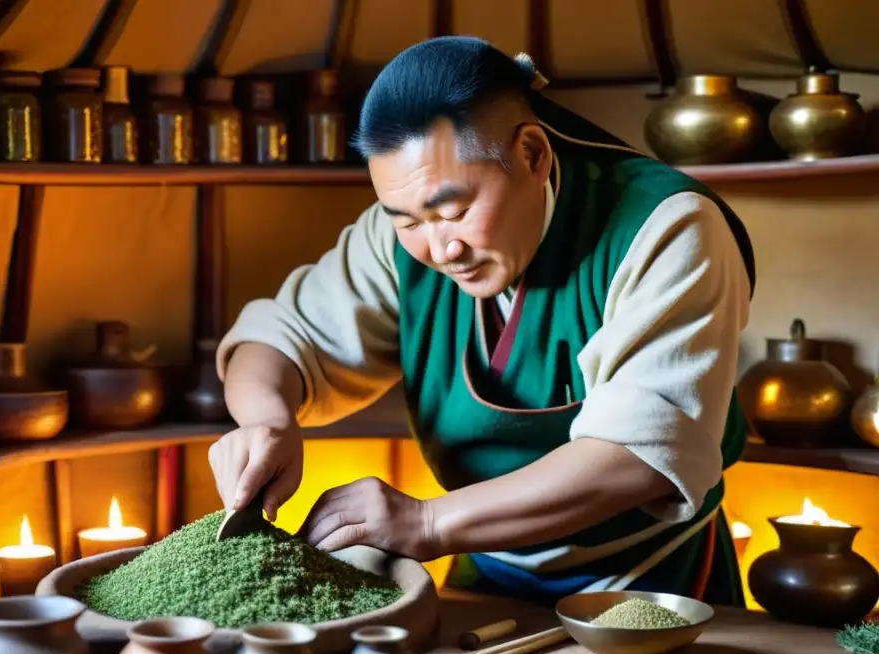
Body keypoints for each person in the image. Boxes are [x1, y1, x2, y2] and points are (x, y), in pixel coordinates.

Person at [208, 36, 755, 607]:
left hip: (649, 576)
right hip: (486, 565)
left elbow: (638, 455)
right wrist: (266, 421)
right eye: (408, 221)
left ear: (532, 155)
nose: (440, 248)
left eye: (455, 212)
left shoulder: (668, 228)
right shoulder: (398, 235)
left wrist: (426, 524)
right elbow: (278, 339)